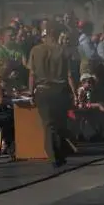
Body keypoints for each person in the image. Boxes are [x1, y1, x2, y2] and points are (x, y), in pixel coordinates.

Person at [28, 22, 76, 167]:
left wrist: (31, 94)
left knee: (49, 125)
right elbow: (69, 75)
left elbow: (32, 75)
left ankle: (53, 156)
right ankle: (61, 153)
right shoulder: (62, 50)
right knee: (60, 122)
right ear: (54, 35)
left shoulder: (35, 51)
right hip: (60, 91)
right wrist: (74, 92)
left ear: (43, 35)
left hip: (43, 91)